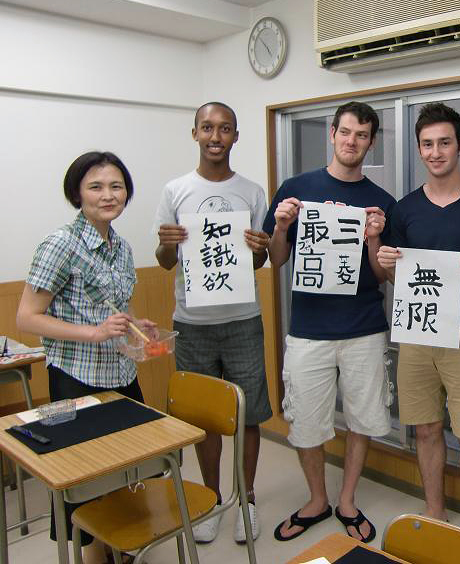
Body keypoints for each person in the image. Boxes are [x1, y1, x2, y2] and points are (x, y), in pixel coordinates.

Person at [377, 102, 460, 534]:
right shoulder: (406, 209)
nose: (436, 152)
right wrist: (383, 259)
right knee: (426, 429)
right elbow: (400, 278)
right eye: (428, 144)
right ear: (419, 149)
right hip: (416, 333)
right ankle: (435, 511)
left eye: (445, 143)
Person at [17, 151, 157, 564]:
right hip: (76, 378)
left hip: (120, 371)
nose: (108, 195)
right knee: (88, 479)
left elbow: (113, 310)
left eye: (116, 186)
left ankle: (120, 546)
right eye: (96, 186)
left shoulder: (122, 246)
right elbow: (27, 317)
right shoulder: (61, 244)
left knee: (129, 469)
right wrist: (94, 333)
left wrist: (135, 327)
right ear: (77, 193)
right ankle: (96, 557)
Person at [265, 101, 394, 543]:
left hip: (364, 327)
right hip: (309, 330)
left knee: (362, 417)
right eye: (345, 132)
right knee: (305, 420)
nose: (352, 141)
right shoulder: (296, 188)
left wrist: (375, 238)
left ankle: (348, 500)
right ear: (332, 134)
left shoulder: (381, 201)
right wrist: (281, 226)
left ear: (371, 142)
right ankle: (317, 498)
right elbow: (276, 261)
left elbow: (383, 275)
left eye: (362, 135)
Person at [154, 101, 272, 544]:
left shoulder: (252, 191)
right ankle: (209, 499)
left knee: (249, 413)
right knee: (204, 416)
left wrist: (260, 247)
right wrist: (167, 244)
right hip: (192, 321)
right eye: (208, 127)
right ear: (195, 134)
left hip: (243, 318)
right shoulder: (175, 190)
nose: (216, 136)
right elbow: (165, 262)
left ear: (236, 137)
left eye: (225, 129)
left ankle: (247, 500)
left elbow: (258, 260)